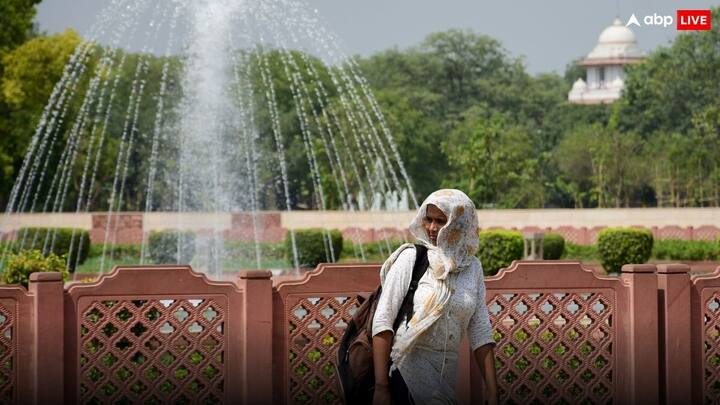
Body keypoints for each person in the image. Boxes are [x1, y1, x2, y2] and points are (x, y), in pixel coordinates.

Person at [371, 189, 498, 405]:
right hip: (405, 373)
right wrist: (381, 388)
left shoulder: (472, 268)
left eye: (440, 221)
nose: (431, 228)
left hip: (446, 379)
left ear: (459, 223)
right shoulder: (411, 259)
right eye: (428, 219)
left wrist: (492, 391)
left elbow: (480, 330)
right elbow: (383, 321)